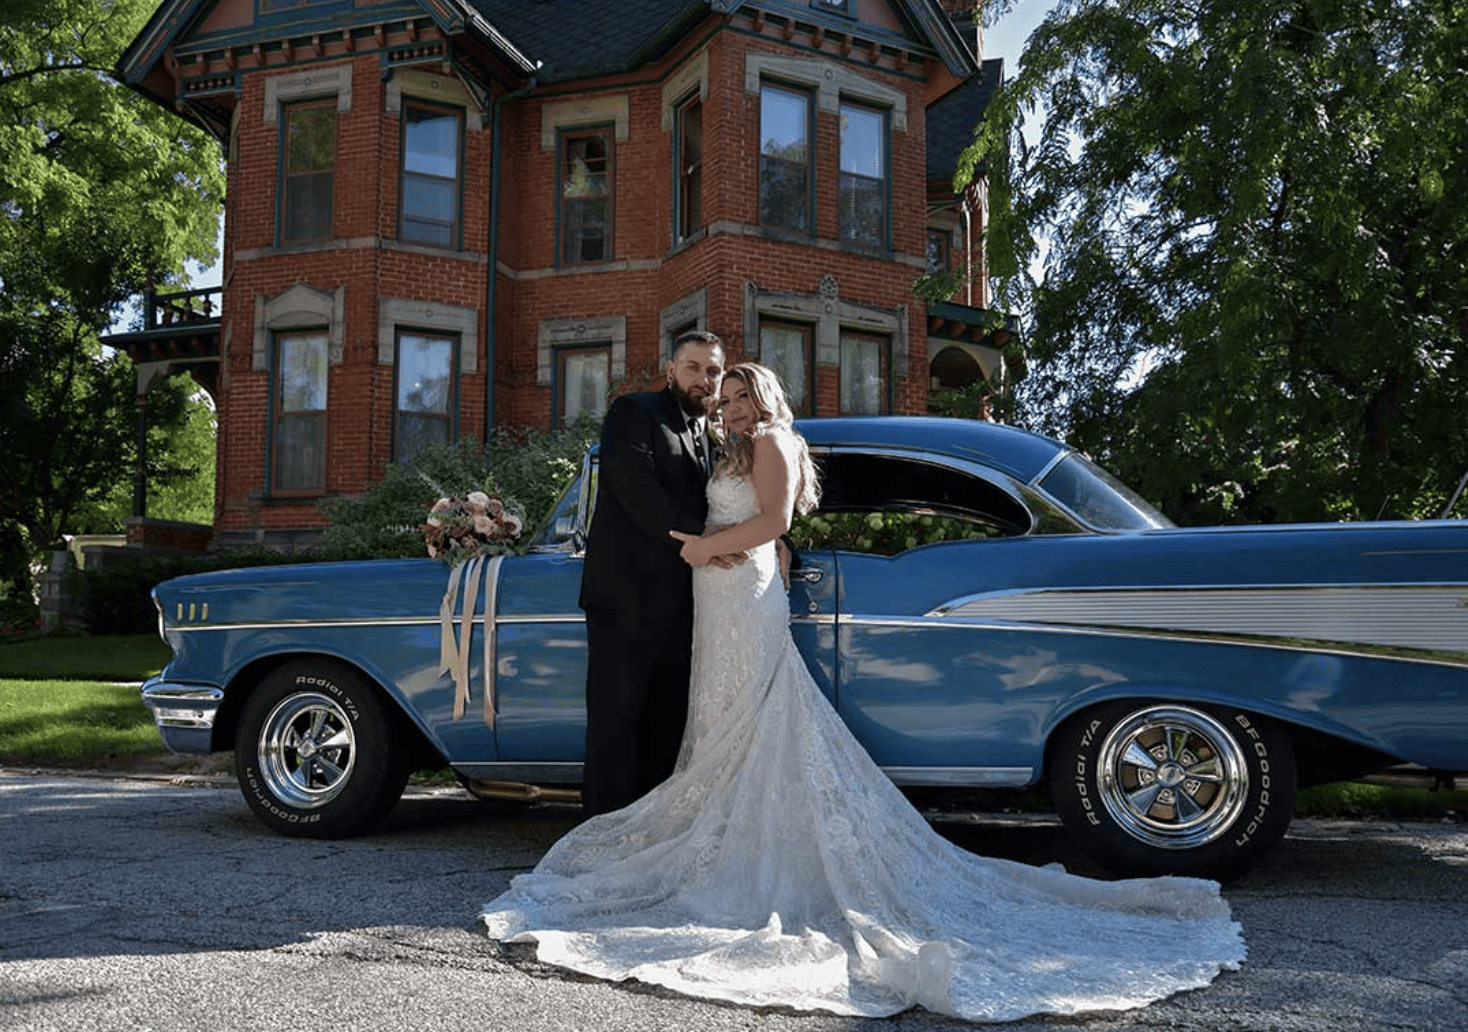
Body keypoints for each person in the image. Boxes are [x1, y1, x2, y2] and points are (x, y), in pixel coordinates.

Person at [484, 363, 1245, 1021]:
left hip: (736, 589)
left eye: (747, 393)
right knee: (721, 717)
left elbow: (773, 517)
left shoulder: (774, 443)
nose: (736, 405)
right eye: (730, 395)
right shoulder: (729, 447)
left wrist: (702, 546)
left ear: (768, 399)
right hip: (717, 597)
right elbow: (758, 519)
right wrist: (728, 541)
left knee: (757, 710)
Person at [576, 329, 729, 816]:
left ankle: (648, 833)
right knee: (616, 725)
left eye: (713, 371)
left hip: (683, 606)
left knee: (666, 726)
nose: (704, 379)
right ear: (670, 370)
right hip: (625, 600)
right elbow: (638, 492)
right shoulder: (634, 412)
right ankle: (602, 837)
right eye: (694, 367)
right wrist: (712, 545)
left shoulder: (712, 435)